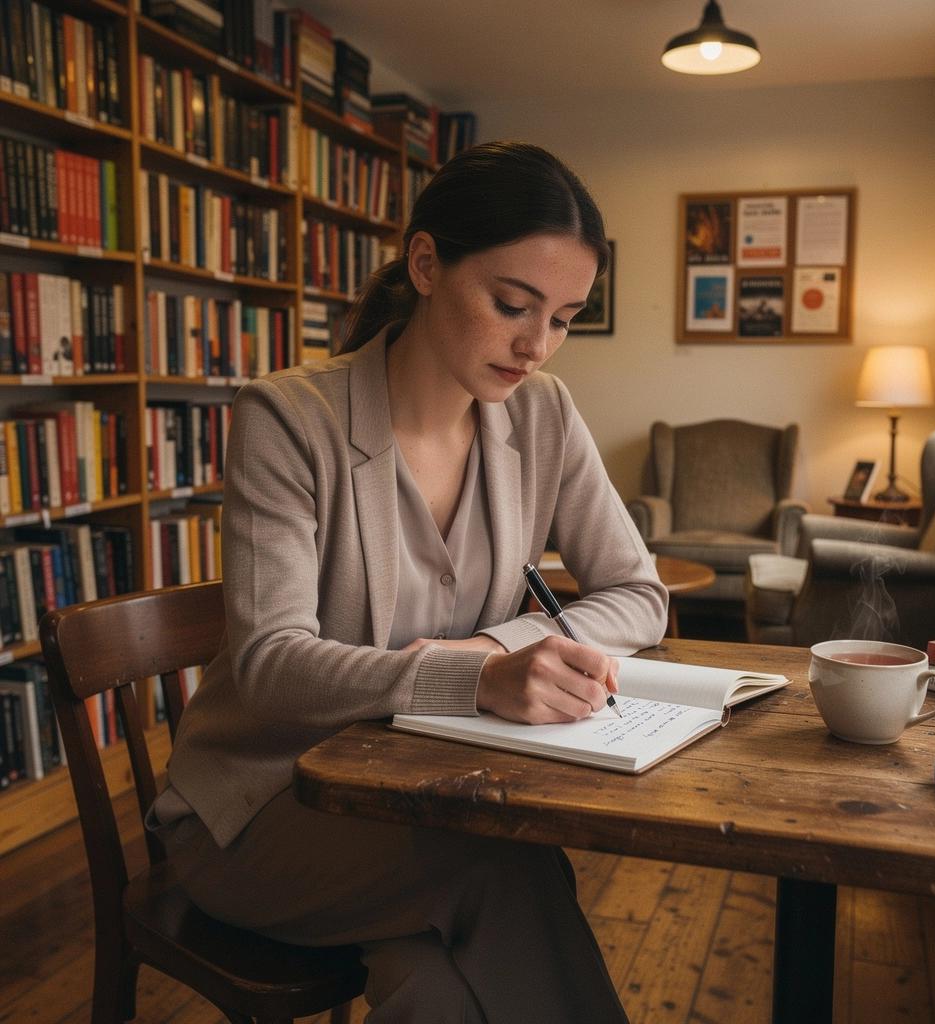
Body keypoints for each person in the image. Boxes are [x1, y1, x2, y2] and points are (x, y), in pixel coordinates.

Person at [146, 140, 668, 1023]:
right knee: (504, 864)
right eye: (512, 304)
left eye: (566, 318)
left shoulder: (542, 413)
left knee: (430, 985)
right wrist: (474, 677)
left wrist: (499, 650)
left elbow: (639, 593)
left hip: (423, 797)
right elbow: (272, 664)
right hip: (263, 802)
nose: (536, 346)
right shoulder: (288, 418)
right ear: (425, 263)